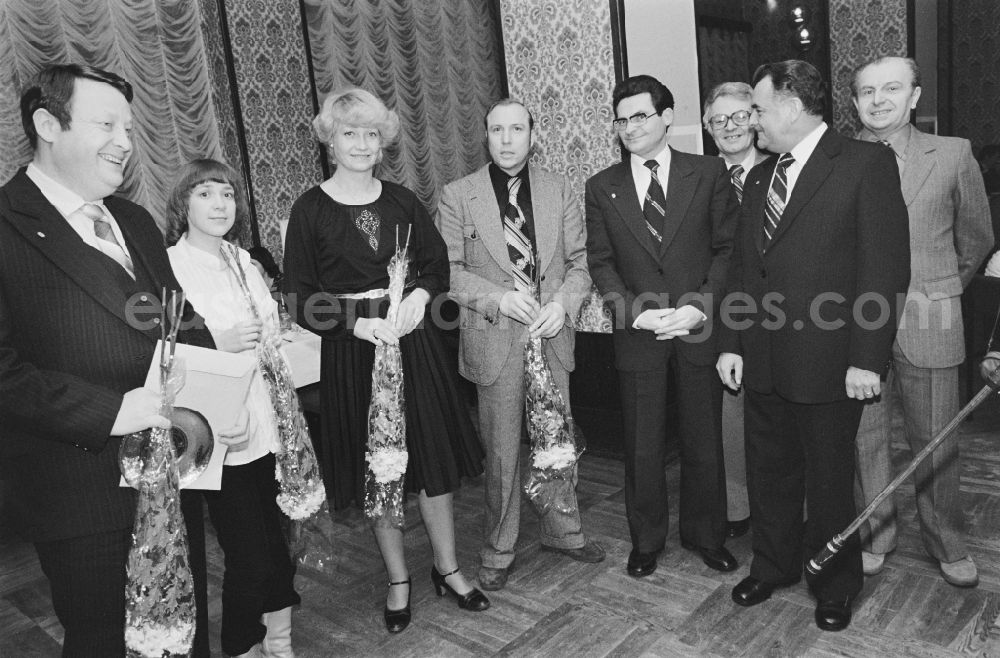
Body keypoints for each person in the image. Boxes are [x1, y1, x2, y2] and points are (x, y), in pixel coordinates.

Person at [0, 64, 218, 657]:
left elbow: (178, 321)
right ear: (48, 124)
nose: (125, 141)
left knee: (183, 630)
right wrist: (110, 411)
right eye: (106, 124)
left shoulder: (134, 220)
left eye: (128, 125)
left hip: (173, 472)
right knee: (107, 641)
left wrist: (222, 397)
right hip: (81, 491)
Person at [282, 88, 488, 634]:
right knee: (383, 467)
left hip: (414, 345)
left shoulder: (403, 201)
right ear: (330, 139)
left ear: (383, 142)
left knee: (433, 459)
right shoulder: (310, 209)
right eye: (350, 133)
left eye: (372, 134)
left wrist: (420, 296)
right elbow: (298, 297)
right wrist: (356, 323)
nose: (362, 144)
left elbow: (436, 266)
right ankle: (399, 579)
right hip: (355, 354)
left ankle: (448, 567)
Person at [716, 60, 910, 632]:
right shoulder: (758, 178)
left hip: (831, 365)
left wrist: (866, 359)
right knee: (769, 471)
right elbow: (745, 271)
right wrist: (731, 343)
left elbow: (883, 271)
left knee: (828, 482)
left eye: (758, 108)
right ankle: (773, 565)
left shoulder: (864, 164)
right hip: (764, 360)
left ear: (793, 106)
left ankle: (834, 583)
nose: (752, 120)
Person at [436, 98, 606, 592]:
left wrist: (564, 305)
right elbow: (447, 271)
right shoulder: (458, 195)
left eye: (517, 129)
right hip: (496, 338)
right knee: (503, 449)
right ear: (485, 137)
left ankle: (563, 531)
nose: (507, 139)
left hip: (552, 334)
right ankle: (499, 547)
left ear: (533, 135)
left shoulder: (558, 189)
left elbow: (581, 261)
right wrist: (497, 298)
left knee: (557, 440)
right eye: (496, 130)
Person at [585, 75, 740, 579]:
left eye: (640, 116)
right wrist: (634, 312)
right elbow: (601, 264)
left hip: (697, 328)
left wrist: (700, 307)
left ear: (667, 117)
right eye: (621, 119)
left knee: (702, 439)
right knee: (642, 444)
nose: (629, 127)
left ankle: (706, 535)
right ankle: (646, 540)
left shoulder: (709, 172)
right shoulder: (601, 187)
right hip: (639, 333)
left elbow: (727, 251)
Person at [850, 56, 992, 587]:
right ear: (855, 101)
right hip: (856, 324)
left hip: (932, 320)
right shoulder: (839, 158)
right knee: (865, 441)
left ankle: (947, 541)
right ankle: (874, 536)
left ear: (914, 96)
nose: (878, 99)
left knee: (936, 441)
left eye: (891, 88)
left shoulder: (954, 154)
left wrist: (936, 289)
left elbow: (976, 238)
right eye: (867, 91)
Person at [166, 159, 301, 658]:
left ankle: (279, 643)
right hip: (218, 434)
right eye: (205, 193)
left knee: (279, 546)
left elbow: (270, 331)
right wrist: (215, 341)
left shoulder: (243, 260)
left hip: (266, 423)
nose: (219, 204)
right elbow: (159, 354)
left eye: (226, 194)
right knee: (249, 558)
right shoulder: (169, 267)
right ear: (183, 204)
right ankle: (242, 646)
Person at [701, 81, 770, 540]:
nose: (730, 127)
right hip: (716, 319)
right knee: (728, 421)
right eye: (719, 120)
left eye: (741, 116)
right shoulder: (698, 179)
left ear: (758, 118)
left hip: (779, 319)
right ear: (707, 128)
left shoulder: (786, 168)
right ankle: (738, 509)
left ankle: (783, 508)